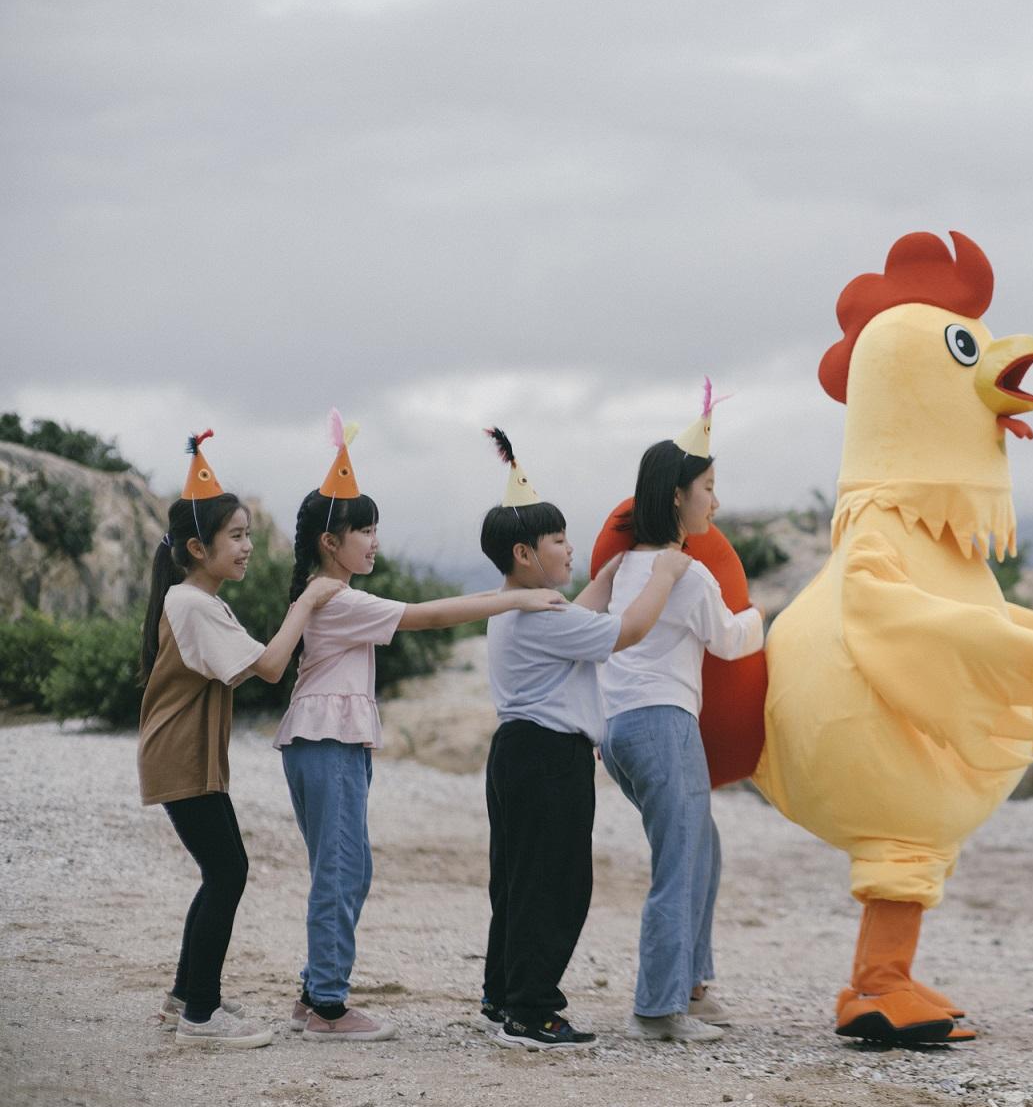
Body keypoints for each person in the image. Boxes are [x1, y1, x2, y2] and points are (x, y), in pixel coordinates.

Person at [275, 410, 567, 1042]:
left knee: (347, 868)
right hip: (326, 743)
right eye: (366, 531)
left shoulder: (329, 593)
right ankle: (327, 1005)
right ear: (333, 541)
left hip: (329, 742)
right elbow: (429, 615)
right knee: (342, 869)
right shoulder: (339, 597)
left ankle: (314, 993)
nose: (375, 542)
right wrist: (516, 596)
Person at [475, 427, 689, 1050]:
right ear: (524, 552)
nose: (570, 549)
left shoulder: (517, 604)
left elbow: (588, 615)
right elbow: (626, 630)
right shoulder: (541, 614)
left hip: (517, 752)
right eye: (558, 540)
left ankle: (503, 994)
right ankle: (531, 1011)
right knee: (557, 886)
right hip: (548, 757)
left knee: (516, 881)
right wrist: (665, 574)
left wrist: (615, 568)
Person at [139, 431, 340, 1049]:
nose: (248, 547)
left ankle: (185, 1000)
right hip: (181, 756)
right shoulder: (195, 605)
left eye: (249, 534)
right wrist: (307, 602)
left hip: (183, 757)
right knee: (228, 872)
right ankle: (203, 1014)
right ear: (197, 547)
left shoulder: (197, 600)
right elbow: (274, 667)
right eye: (237, 536)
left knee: (219, 871)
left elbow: (259, 664)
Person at [599, 392, 764, 1043]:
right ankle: (658, 1007)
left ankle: (692, 984)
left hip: (619, 730)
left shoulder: (625, 567)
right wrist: (765, 616)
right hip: (664, 724)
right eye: (708, 488)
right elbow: (728, 638)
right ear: (676, 496)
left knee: (703, 847)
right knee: (680, 860)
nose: (714, 503)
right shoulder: (687, 573)